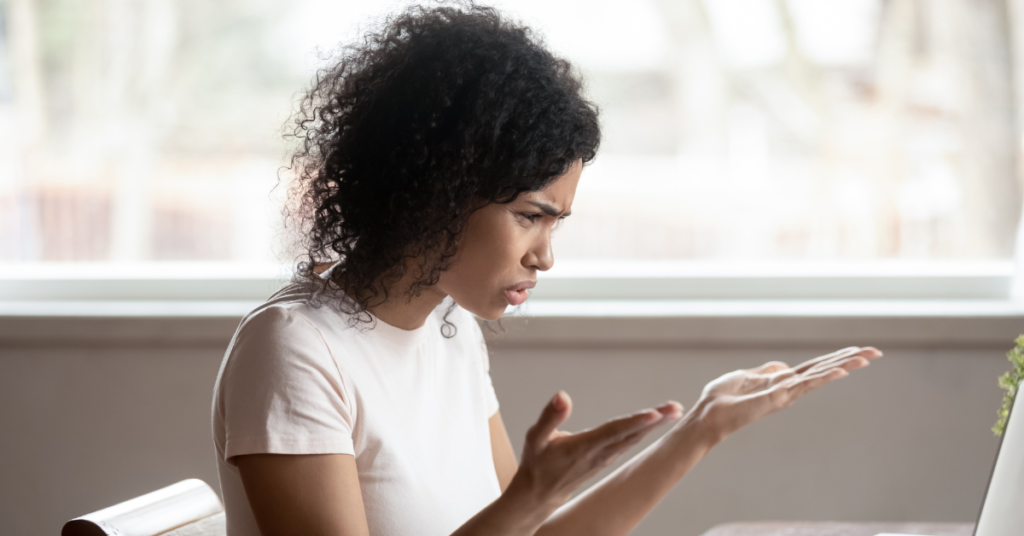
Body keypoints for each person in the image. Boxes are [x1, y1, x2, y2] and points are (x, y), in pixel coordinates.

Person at [210, 4, 883, 536]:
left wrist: (702, 427)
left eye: (556, 223)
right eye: (530, 217)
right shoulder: (296, 346)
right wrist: (528, 497)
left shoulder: (449, 327)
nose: (545, 256)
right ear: (436, 187)